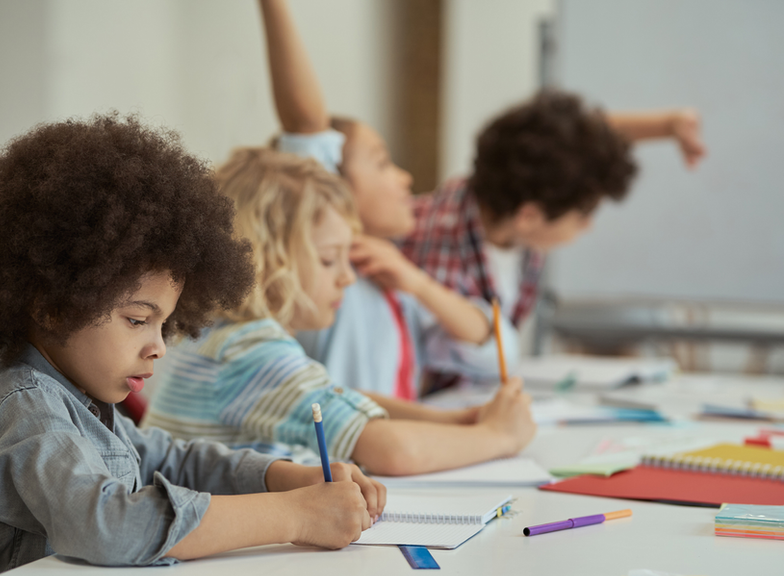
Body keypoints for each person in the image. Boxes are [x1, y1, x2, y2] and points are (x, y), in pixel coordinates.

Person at [0, 114, 386, 576]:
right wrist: (295, 516)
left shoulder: (77, 394)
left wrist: (285, 476)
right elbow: (109, 524)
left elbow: (168, 457)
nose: (159, 346)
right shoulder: (25, 405)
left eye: (164, 324)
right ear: (51, 304)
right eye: (138, 320)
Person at [258, 0, 707, 394]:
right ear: (530, 216)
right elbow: (306, 126)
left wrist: (665, 126)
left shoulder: (398, 271)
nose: (406, 179)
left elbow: (497, 344)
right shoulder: (371, 258)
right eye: (381, 163)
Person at [143, 148, 535, 479]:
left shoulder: (220, 334)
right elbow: (395, 452)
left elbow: (335, 395)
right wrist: (499, 437)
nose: (348, 277)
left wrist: (457, 421)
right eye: (330, 260)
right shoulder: (249, 351)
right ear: (266, 263)